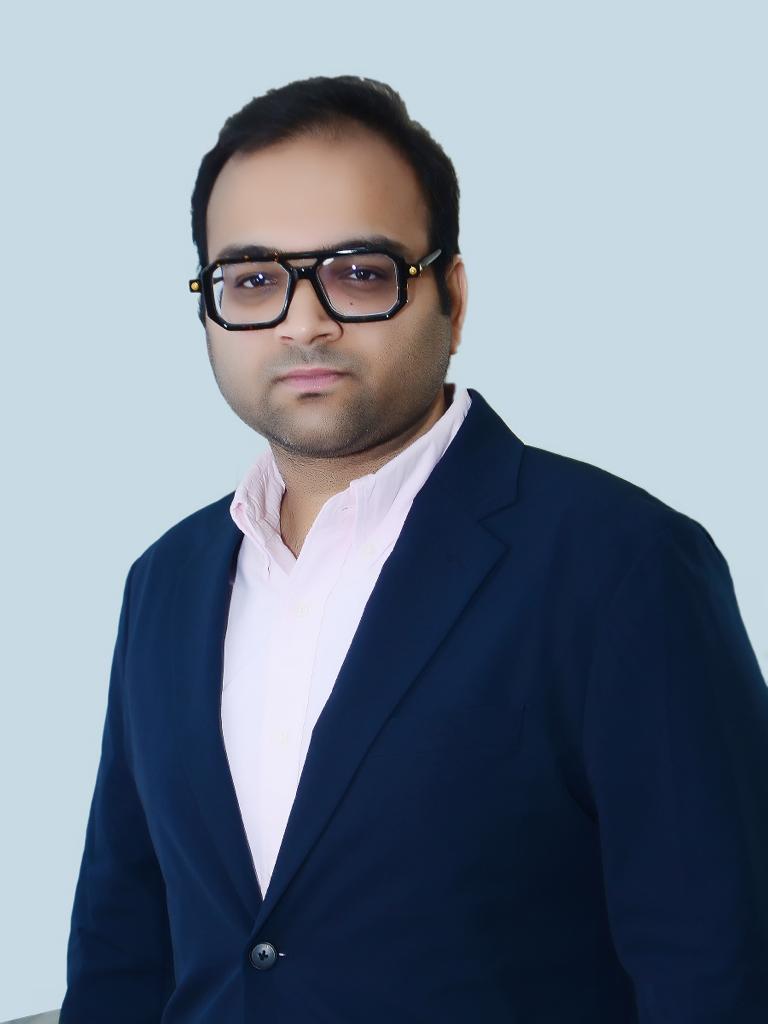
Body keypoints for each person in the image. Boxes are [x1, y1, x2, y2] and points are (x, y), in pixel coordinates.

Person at [59, 75, 768, 1023]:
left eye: (359, 271)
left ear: (453, 297)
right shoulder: (165, 581)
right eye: (253, 280)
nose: (303, 322)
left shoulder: (621, 565)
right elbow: (122, 943)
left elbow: (718, 964)